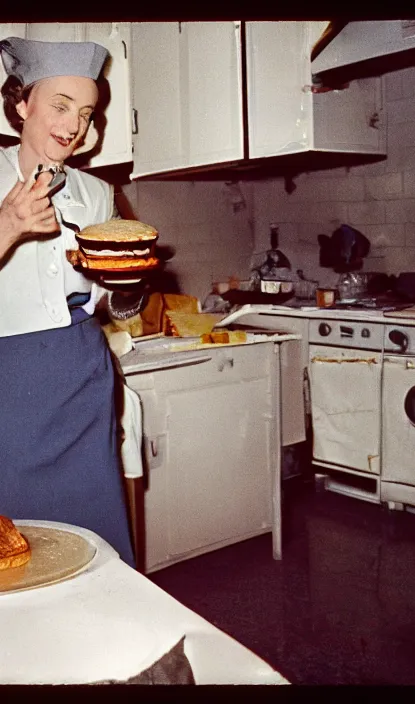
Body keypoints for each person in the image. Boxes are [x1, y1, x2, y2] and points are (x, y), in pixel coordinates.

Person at [0, 36, 135, 566]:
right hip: (8, 379)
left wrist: (128, 285)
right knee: (16, 541)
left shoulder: (97, 193)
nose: (74, 125)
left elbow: (111, 304)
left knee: (91, 533)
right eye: (60, 105)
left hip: (80, 372)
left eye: (86, 113)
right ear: (21, 104)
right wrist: (7, 225)